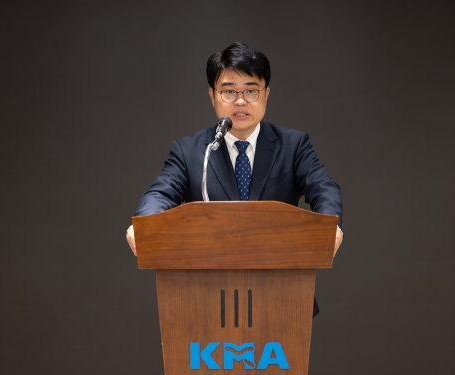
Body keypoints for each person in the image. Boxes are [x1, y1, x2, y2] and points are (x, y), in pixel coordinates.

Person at [126, 43, 343, 314]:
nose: (240, 101)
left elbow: (323, 187)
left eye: (251, 91)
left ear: (266, 93)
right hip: (206, 301)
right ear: (212, 95)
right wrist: (144, 224)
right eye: (229, 91)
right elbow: (160, 193)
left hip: (282, 299)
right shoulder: (191, 151)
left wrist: (331, 225)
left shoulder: (293, 145)